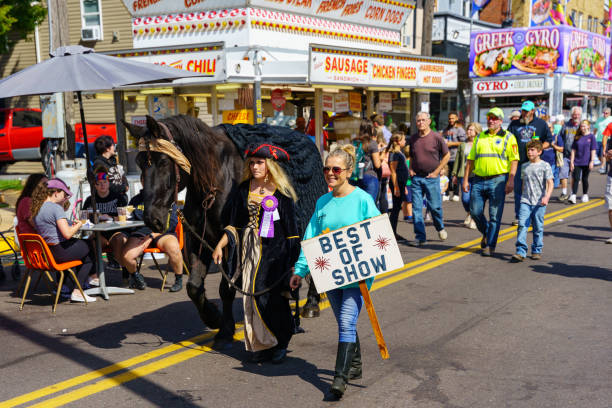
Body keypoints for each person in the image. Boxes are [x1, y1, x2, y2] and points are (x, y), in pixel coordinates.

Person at [289, 145, 380, 399]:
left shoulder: (362, 199)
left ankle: (339, 379)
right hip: (331, 274)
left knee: (348, 321)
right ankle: (356, 364)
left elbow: (377, 234)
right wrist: (299, 270)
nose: (330, 173)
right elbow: (311, 237)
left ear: (349, 172)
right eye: (327, 168)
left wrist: (371, 263)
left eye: (336, 169)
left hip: (357, 274)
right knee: (343, 321)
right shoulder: (322, 201)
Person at [212, 142, 301, 365]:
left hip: (275, 254)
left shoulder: (281, 194)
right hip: (249, 251)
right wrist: (220, 244)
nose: (254, 167)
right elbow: (234, 224)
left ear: (270, 165)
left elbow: (292, 233)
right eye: (251, 163)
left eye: (259, 162)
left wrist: (294, 264)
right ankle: (263, 344)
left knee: (268, 297)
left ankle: (281, 340)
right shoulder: (243, 190)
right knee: (251, 299)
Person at [463, 107, 519, 257]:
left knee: (495, 215)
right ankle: (488, 232)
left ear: (501, 121)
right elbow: (471, 160)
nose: (491, 120)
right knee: (474, 212)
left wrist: (511, 180)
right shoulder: (480, 136)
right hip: (479, 180)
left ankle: (490, 245)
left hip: (498, 180)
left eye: (494, 118)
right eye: (489, 118)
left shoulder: (509, 137)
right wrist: (466, 179)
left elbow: (514, 160)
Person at [30, 178, 95, 302]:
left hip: (48, 253)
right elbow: (67, 234)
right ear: (56, 193)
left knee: (82, 251)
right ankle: (78, 290)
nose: (65, 197)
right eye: (64, 194)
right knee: (90, 248)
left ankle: (68, 288)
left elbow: (50, 227)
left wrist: (70, 223)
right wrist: (79, 224)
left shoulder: (37, 208)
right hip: (61, 252)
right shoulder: (55, 208)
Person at [121, 178, 183, 292]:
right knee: (127, 256)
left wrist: (153, 235)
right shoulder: (135, 200)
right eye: (145, 180)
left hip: (163, 232)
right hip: (141, 232)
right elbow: (131, 221)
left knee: (174, 248)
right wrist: (125, 219)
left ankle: (179, 279)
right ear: (142, 182)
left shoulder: (166, 198)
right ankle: (136, 276)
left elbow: (173, 222)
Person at [408, 112, 450, 246]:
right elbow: (411, 156)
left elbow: (447, 155)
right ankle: (420, 237)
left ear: (429, 121)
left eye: (423, 120)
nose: (420, 123)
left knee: (435, 207)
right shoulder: (413, 138)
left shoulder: (436, 137)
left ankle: (440, 227)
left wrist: (437, 171)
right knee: (416, 208)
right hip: (417, 179)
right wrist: (410, 168)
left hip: (432, 177)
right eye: (418, 120)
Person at [507, 100, 551, 224]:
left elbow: (548, 140)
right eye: (523, 110)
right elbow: (508, 140)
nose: (524, 113)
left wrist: (540, 148)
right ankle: (519, 216)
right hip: (519, 163)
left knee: (534, 191)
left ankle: (533, 216)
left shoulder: (541, 124)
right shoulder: (514, 124)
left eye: (527, 111)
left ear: (533, 111)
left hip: (534, 164)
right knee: (518, 191)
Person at [511, 140, 554, 262]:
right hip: (526, 200)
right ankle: (520, 251)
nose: (529, 152)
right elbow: (524, 183)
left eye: (532, 150)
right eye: (528, 150)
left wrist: (546, 197)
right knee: (522, 225)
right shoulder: (524, 166)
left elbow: (550, 183)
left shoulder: (545, 165)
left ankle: (536, 250)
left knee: (538, 227)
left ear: (539, 152)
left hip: (540, 202)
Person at [83, 170, 128, 268]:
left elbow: (125, 216)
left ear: (109, 183)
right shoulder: (90, 200)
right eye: (98, 183)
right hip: (99, 233)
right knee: (92, 242)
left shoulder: (118, 197)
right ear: (95, 186)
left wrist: (111, 218)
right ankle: (96, 273)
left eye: (105, 182)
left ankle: (126, 270)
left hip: (115, 231)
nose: (102, 185)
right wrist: (91, 216)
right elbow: (83, 217)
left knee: (120, 239)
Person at [452, 122, 481, 230]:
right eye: (468, 129)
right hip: (464, 175)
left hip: (477, 175)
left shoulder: (480, 143)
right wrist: (454, 174)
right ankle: (469, 212)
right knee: (465, 199)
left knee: (475, 198)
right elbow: (457, 161)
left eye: (471, 130)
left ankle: (473, 219)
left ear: (476, 132)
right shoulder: (462, 145)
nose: (468, 131)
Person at [350, 120, 380, 203]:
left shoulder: (354, 142)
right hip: (369, 176)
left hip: (355, 177)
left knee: (356, 206)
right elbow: (377, 165)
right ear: (371, 129)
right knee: (369, 207)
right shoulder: (372, 143)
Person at [568, 120, 597, 204]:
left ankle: (585, 194)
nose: (582, 128)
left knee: (585, 179)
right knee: (576, 178)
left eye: (584, 126)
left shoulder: (591, 137)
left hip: (587, 162)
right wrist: (572, 162)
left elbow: (593, 149)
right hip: (577, 161)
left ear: (588, 126)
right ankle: (573, 195)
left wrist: (592, 161)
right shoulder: (577, 136)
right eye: (581, 126)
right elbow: (573, 150)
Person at [388, 133, 409, 241]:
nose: (405, 141)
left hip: (401, 183)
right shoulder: (394, 154)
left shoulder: (399, 153)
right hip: (397, 184)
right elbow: (393, 172)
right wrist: (396, 187)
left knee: (397, 208)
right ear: (397, 141)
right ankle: (392, 232)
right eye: (403, 139)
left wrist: (403, 186)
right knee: (396, 209)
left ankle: (393, 231)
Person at [559, 106, 582, 201]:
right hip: (566, 154)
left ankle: (573, 193)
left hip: (578, 156)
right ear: (571, 115)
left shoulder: (582, 125)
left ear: (580, 115)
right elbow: (560, 136)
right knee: (563, 174)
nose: (576, 116)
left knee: (575, 176)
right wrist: (561, 146)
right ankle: (564, 193)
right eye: (574, 114)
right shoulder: (566, 125)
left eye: (577, 114)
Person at [442, 112, 466, 201]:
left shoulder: (459, 129)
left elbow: (464, 142)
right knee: (446, 174)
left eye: (452, 118)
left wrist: (452, 143)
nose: (451, 120)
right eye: (449, 118)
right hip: (447, 155)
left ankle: (456, 194)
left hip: (456, 156)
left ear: (456, 118)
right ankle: (446, 193)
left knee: (455, 175)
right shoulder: (446, 129)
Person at [541, 117, 565, 189]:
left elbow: (561, 149)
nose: (548, 129)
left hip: (552, 162)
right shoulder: (542, 137)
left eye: (550, 127)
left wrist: (553, 145)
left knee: (550, 179)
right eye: (547, 128)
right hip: (542, 162)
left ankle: (548, 193)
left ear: (553, 128)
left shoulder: (557, 137)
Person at [376, 131, 390, 213]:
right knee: (383, 195)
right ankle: (385, 213)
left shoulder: (378, 146)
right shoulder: (386, 146)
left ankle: (380, 214)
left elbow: (379, 159)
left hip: (379, 172)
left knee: (378, 196)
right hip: (386, 173)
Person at [595, 108, 612, 174]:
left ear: (610, 113)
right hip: (598, 139)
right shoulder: (599, 119)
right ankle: (604, 164)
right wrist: (592, 136)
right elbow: (596, 128)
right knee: (598, 154)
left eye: (606, 113)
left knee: (604, 153)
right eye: (604, 113)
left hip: (608, 140)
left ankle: (603, 166)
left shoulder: (611, 119)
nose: (605, 114)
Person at [605, 137, 612, 244]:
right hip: (611, 176)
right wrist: (608, 156)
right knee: (610, 207)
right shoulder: (611, 140)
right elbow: (606, 159)